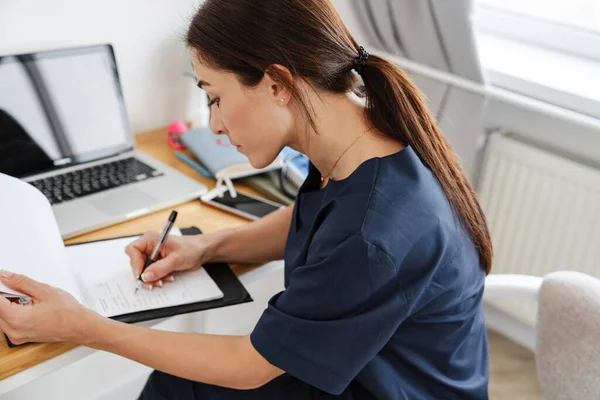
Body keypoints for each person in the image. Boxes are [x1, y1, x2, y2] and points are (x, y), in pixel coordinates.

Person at [0, 0, 494, 398]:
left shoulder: (371, 232)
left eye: (214, 97)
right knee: (177, 384)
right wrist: (207, 248)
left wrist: (83, 325)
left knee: (179, 388)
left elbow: (251, 367)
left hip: (385, 387)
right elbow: (318, 215)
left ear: (278, 84)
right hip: (365, 366)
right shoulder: (365, 141)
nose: (213, 124)